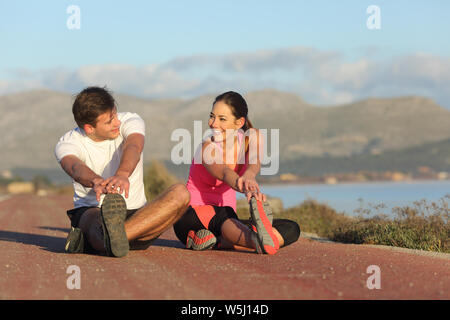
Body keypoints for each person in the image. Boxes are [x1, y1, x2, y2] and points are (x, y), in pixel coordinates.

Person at [55, 86, 190, 257]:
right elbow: (73, 166)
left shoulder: (130, 120)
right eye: (109, 121)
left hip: (139, 216)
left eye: (115, 115)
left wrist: (122, 174)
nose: (117, 123)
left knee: (181, 194)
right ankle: (109, 237)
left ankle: (109, 239)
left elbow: (134, 145)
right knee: (91, 218)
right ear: (89, 128)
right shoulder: (68, 142)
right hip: (95, 211)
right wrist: (96, 181)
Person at [173, 91, 300, 254]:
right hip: (192, 216)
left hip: (227, 221)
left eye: (222, 119)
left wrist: (249, 176)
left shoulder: (252, 137)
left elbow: (254, 161)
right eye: (212, 116)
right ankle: (258, 241)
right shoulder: (206, 148)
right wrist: (243, 185)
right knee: (223, 215)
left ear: (239, 122)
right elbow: (225, 172)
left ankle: (214, 241)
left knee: (291, 228)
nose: (213, 123)